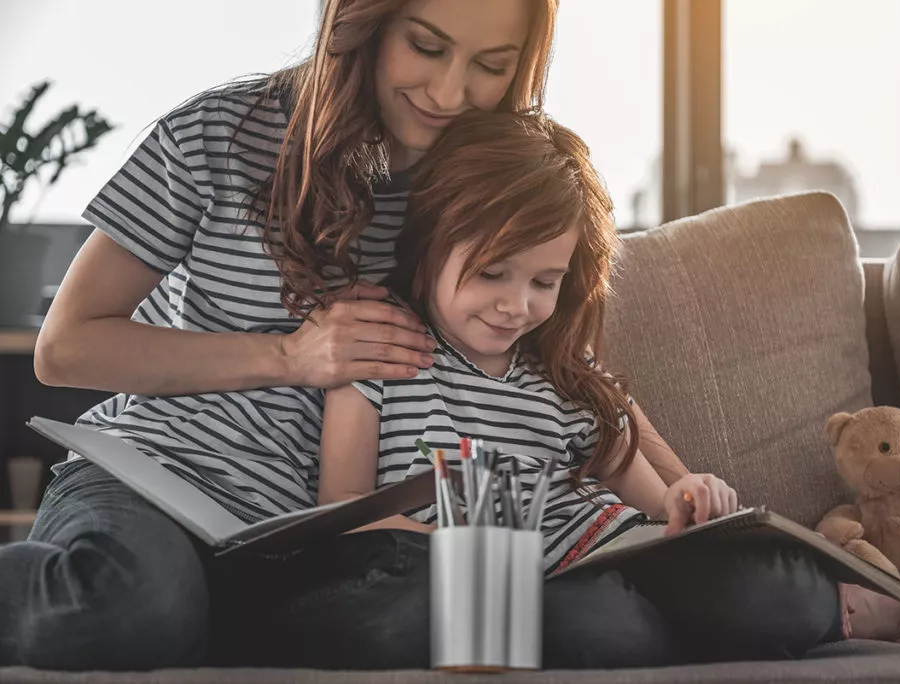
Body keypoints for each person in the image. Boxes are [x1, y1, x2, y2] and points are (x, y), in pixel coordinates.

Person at [0, 0, 559, 670]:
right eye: (425, 46)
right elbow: (65, 349)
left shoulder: (486, 190)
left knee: (451, 622)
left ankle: (209, 619)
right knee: (132, 611)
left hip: (322, 539)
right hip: (154, 478)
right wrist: (291, 356)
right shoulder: (217, 134)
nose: (448, 93)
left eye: (490, 66)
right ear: (363, 25)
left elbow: (561, 370)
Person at [316, 109, 900, 668]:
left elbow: (658, 507)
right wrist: (467, 551)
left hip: (618, 557)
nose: (515, 305)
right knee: (600, 627)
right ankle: (693, 631)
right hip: (517, 585)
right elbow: (340, 512)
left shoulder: (561, 375)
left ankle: (840, 610)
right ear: (431, 244)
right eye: (491, 273)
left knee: (773, 591)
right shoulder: (378, 354)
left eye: (544, 281)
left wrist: (691, 495)